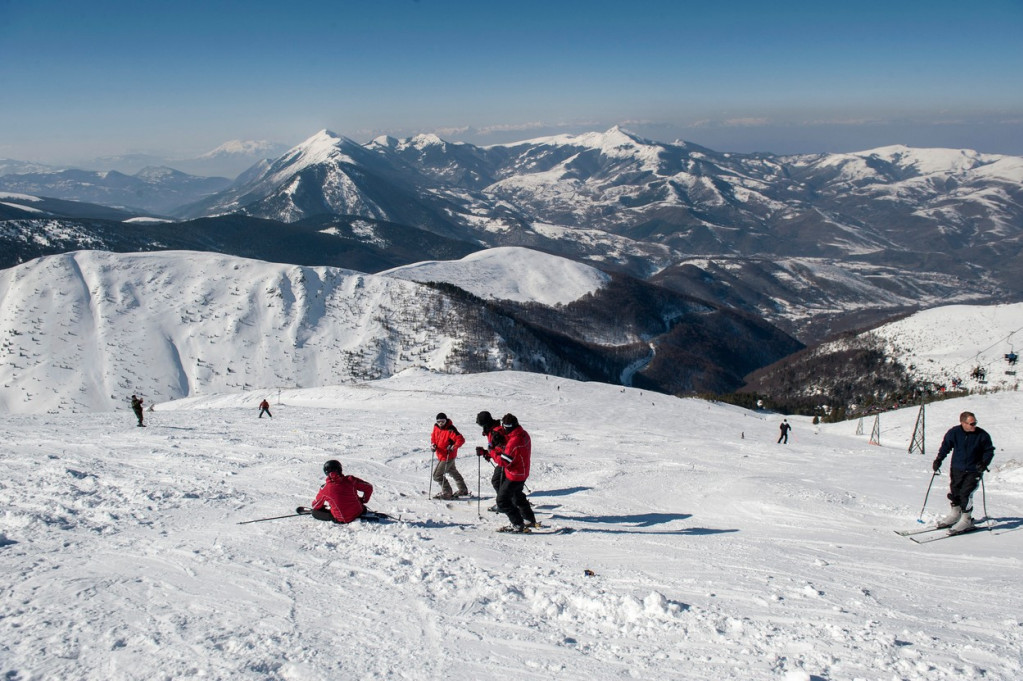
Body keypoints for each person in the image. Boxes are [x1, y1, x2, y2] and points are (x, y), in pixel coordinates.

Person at [932, 411, 995, 533]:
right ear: (963, 423)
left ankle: (966, 519)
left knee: (966, 493)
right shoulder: (954, 432)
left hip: (974, 470)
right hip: (957, 468)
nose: (974, 426)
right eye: (971, 423)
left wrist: (984, 463)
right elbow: (945, 446)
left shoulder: (982, 435)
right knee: (955, 492)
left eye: (975, 423)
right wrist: (939, 459)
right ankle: (956, 514)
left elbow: (989, 451)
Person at [488, 413, 537, 533]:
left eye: (505, 428)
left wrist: (492, 452)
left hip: (514, 474)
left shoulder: (514, 441)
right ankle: (529, 519)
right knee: (517, 495)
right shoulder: (523, 434)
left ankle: (518, 524)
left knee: (502, 500)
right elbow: (512, 452)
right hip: (522, 471)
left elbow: (504, 462)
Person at [310, 459, 374, 524]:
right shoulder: (351, 480)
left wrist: (323, 507)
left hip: (343, 519)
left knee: (315, 512)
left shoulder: (325, 489)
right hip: (360, 511)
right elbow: (369, 487)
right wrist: (363, 500)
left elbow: (315, 505)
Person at [474, 411, 507, 512]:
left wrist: (488, 453)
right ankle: (511, 501)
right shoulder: (491, 430)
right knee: (502, 482)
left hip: (505, 460)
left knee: (497, 481)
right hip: (503, 459)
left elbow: (500, 449)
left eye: (481, 424)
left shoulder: (496, 432)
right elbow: (494, 449)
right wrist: (485, 453)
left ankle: (504, 504)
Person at [431, 413, 468, 499]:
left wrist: (453, 446)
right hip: (441, 454)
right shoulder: (436, 427)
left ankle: (447, 492)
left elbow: (461, 440)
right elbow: (433, 437)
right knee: (453, 471)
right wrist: (433, 445)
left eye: (443, 421)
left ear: (446, 420)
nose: (441, 423)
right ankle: (463, 489)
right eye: (439, 421)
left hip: (447, 456)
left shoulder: (451, 429)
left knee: (437, 475)